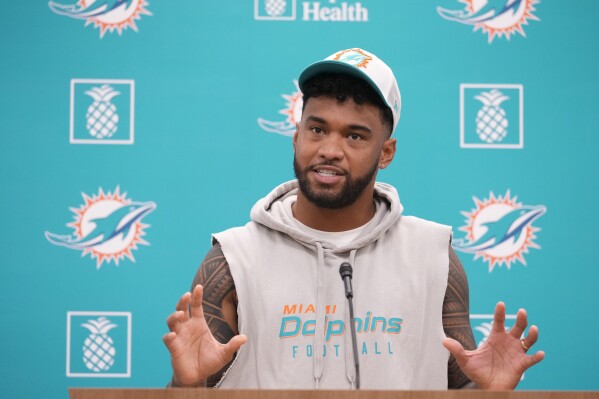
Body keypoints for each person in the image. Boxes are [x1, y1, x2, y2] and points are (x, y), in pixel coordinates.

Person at [163, 48, 544, 390]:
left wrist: (490, 392)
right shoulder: (233, 258)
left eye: (356, 137)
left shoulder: (433, 256)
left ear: (386, 152)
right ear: (296, 136)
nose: (330, 150)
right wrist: (186, 385)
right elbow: (193, 387)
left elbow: (462, 388)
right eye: (316, 129)